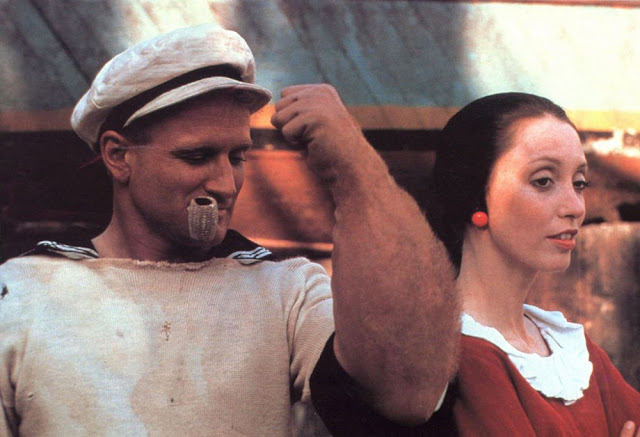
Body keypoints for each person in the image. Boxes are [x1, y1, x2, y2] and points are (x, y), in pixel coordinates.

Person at [0, 24, 458, 435]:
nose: (225, 184)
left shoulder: (288, 291)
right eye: (196, 156)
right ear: (119, 156)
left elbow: (409, 394)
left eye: (237, 157)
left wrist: (354, 166)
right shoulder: (21, 293)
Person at [422, 92, 640, 436]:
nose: (575, 207)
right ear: (474, 194)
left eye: (579, 184)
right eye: (543, 181)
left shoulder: (575, 354)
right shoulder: (456, 354)